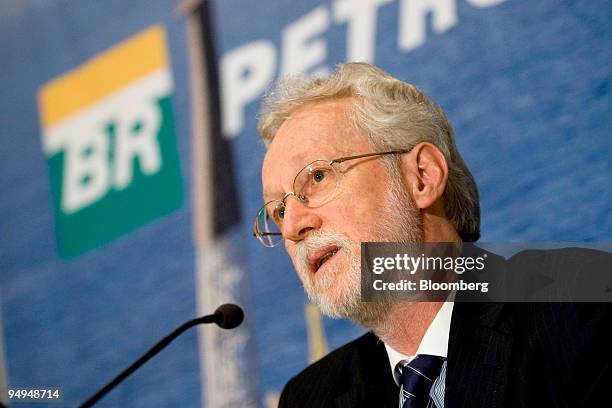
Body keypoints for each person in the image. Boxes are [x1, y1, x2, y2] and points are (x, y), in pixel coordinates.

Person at [253, 63, 610, 407]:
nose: (292, 225)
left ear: (421, 177)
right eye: (278, 211)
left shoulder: (577, 306)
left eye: (317, 178)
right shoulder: (312, 397)